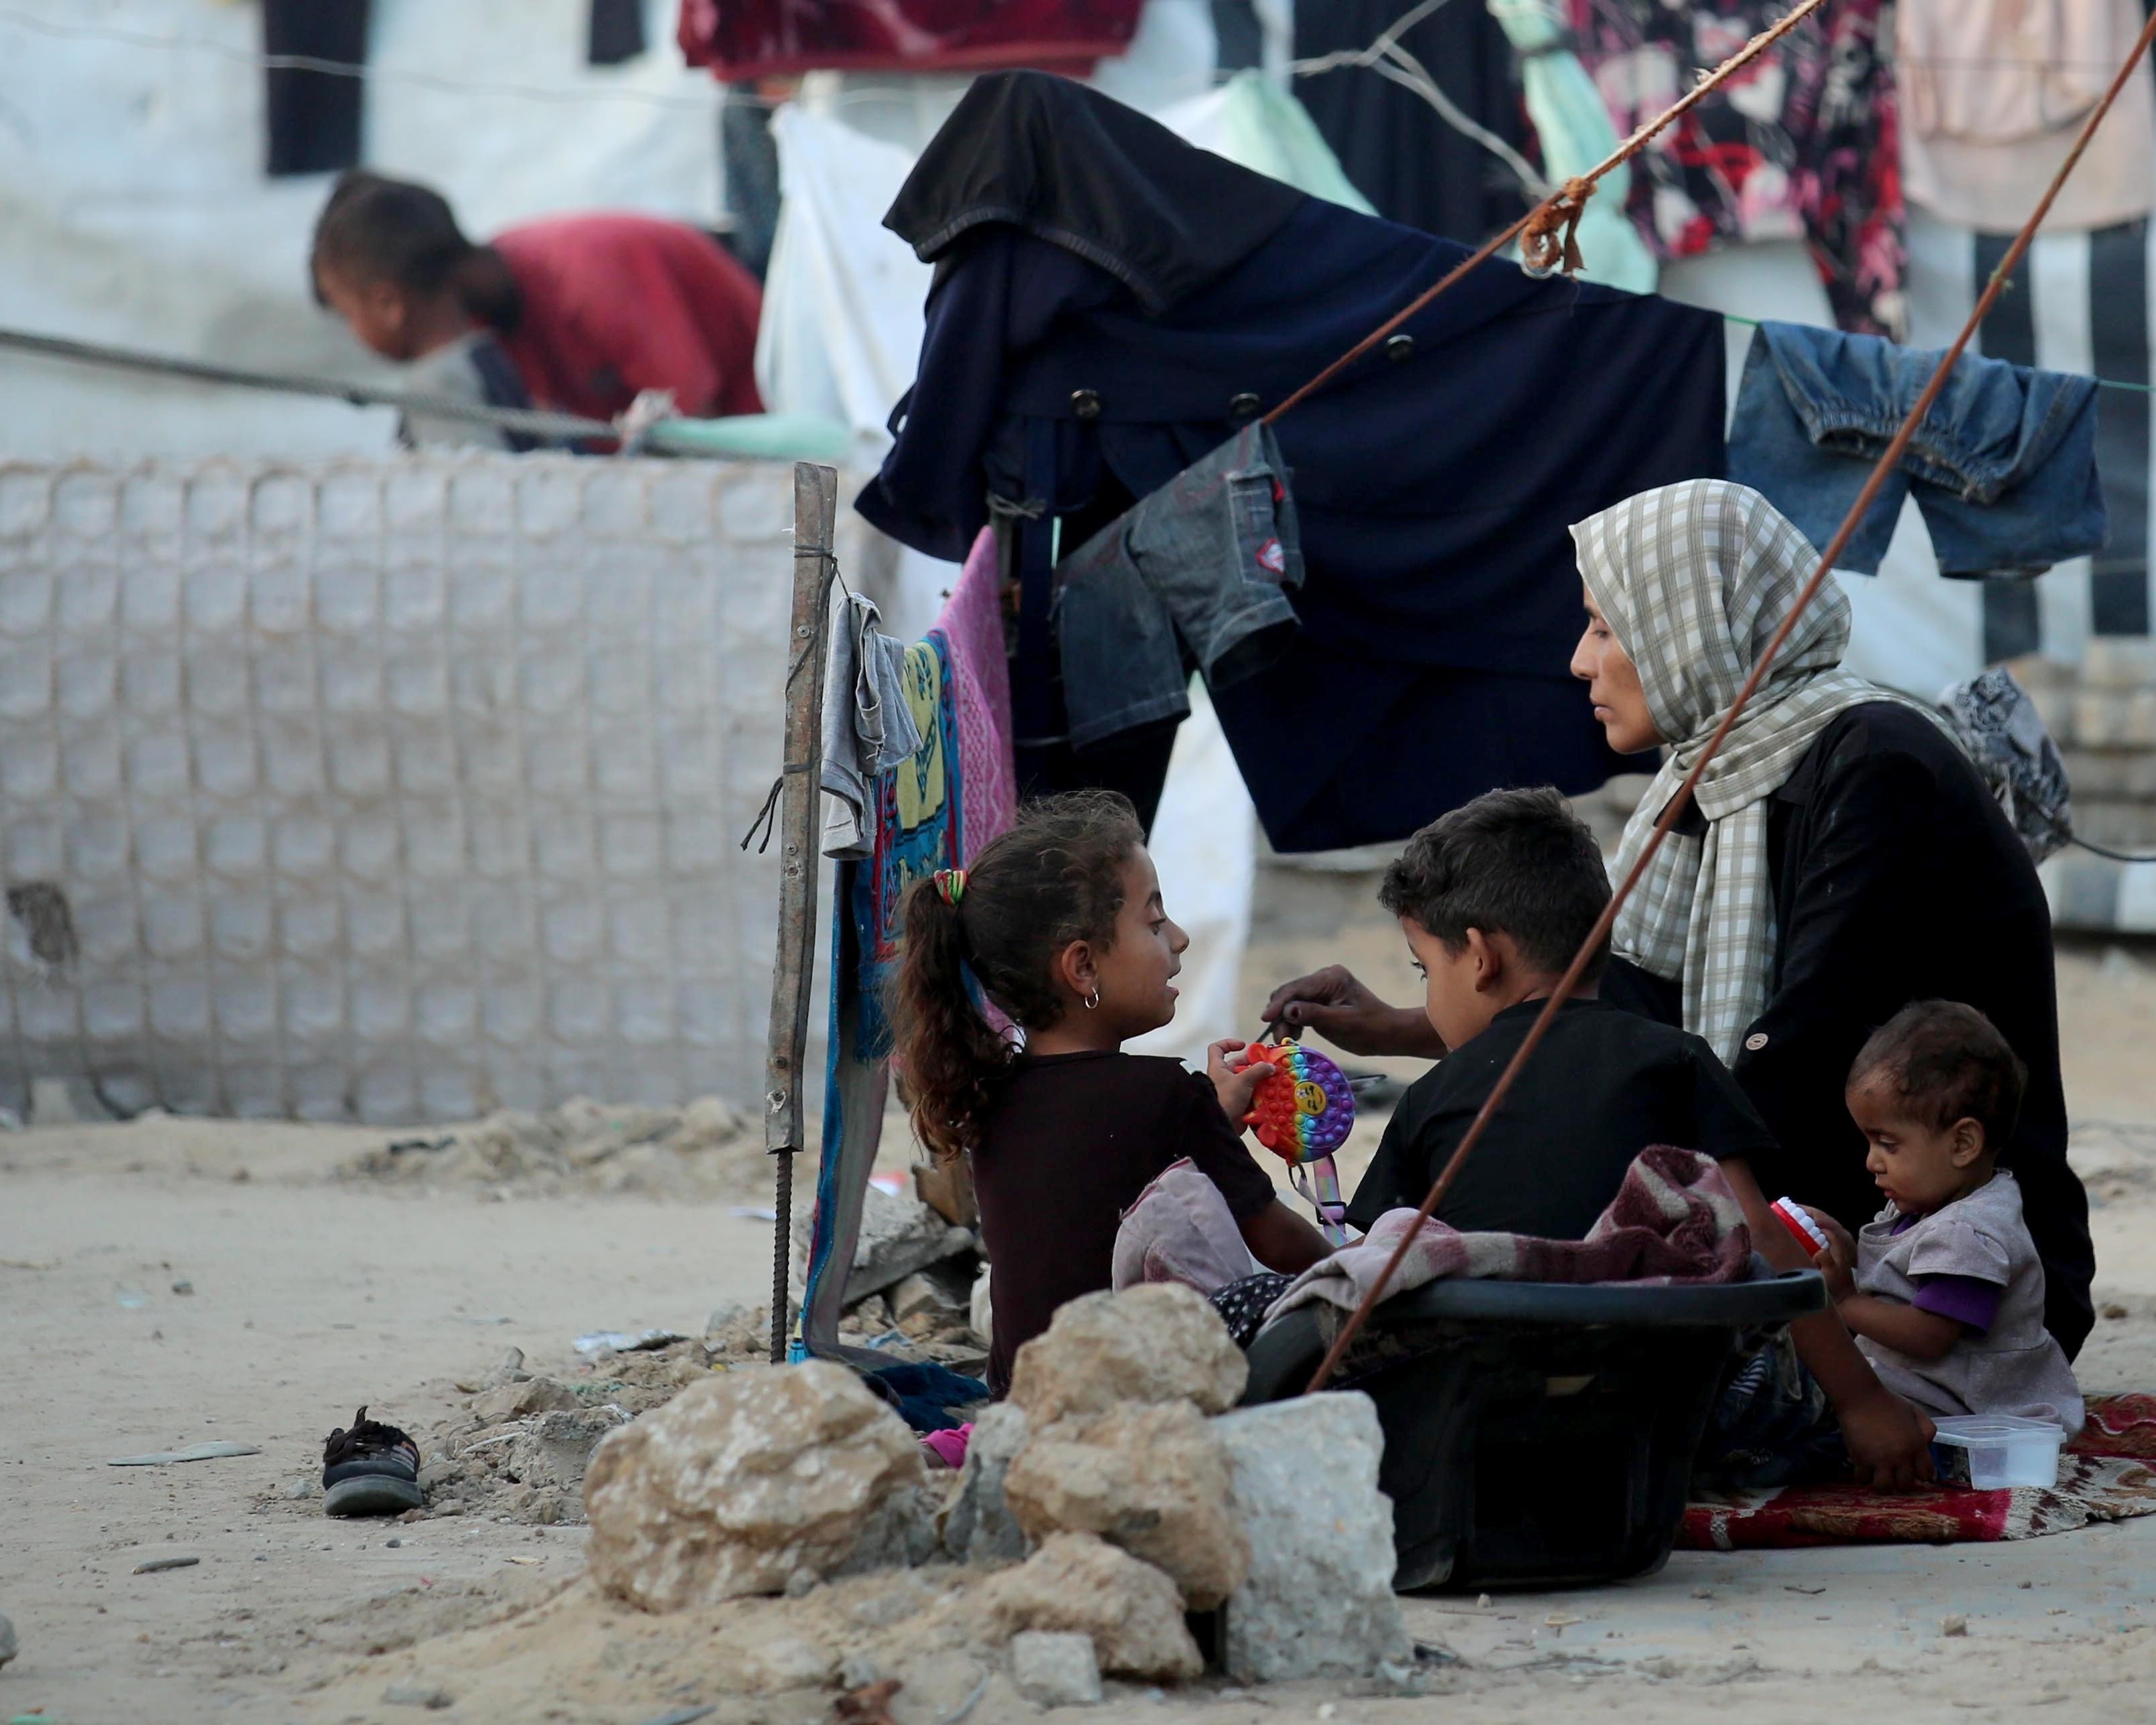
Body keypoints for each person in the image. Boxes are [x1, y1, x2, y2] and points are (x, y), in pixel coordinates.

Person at [1265, 480, 2093, 1487]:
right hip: (1808, 1239)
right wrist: (1405, 1028)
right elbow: (1616, 1023)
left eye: (1606, 626)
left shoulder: (1876, 761)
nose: (1581, 660)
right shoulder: (1705, 782)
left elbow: (1786, 1059)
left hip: (1941, 1284)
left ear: (1691, 623)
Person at [894, 790, 1330, 1396]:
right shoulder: (1164, 1096)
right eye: (1154, 922)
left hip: (1023, 1395)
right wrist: (1353, 1271)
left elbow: (1102, 1171)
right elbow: (1278, 1241)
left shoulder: (994, 1096)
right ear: (1083, 968)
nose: (1178, 938)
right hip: (1127, 1397)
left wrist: (1209, 1124)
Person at [1344, 786, 1785, 1238]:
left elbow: (1380, 1265)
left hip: (1494, 1310)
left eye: (1426, 969)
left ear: (1481, 958)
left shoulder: (1430, 1098)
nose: (1429, 989)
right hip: (1657, 1308)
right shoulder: (1681, 1058)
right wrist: (1840, 1303)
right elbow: (1754, 1238)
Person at [309, 171, 763, 445]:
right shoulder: (483, 333)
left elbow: (697, 436)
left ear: (390, 303)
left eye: (349, 315)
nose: (355, 334)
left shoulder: (588, 276)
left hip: (768, 423)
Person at [1804, 1001, 2082, 1434]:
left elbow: (1927, 1335)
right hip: (1923, 1393)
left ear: (1963, 1144)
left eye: (1888, 1144)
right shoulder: (1931, 1207)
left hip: (1965, 1413)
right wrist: (1847, 1250)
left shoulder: (1969, 1233)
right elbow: (1904, 1285)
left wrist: (1843, 1301)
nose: (1871, 1162)